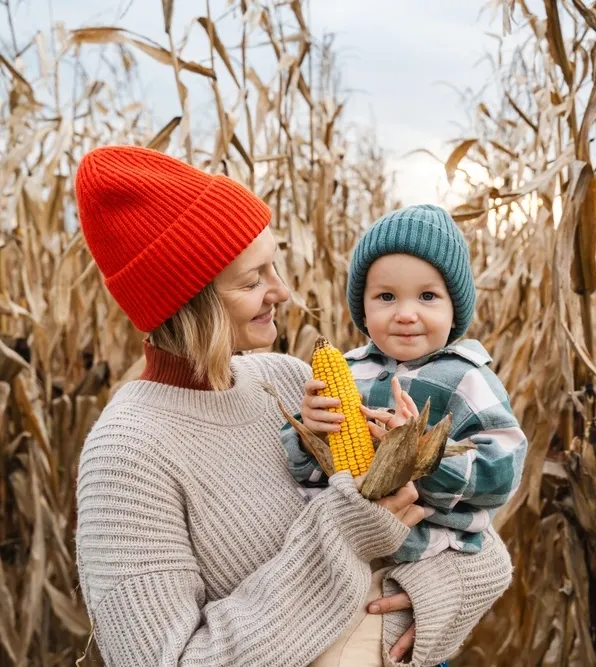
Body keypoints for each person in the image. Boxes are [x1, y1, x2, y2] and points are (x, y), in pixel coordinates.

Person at [72, 145, 513, 667]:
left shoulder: (287, 381)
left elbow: (481, 544)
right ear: (188, 301)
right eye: (252, 279)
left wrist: (429, 593)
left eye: (274, 264)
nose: (281, 291)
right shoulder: (126, 456)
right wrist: (344, 532)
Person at [282, 204, 527, 665]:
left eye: (427, 296)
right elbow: (302, 469)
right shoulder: (348, 370)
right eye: (386, 297)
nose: (406, 314)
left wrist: (418, 455)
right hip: (338, 556)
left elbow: (503, 472)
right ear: (362, 306)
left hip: (418, 562)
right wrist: (306, 432)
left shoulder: (467, 378)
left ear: (456, 308)